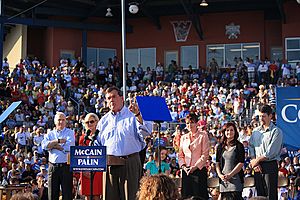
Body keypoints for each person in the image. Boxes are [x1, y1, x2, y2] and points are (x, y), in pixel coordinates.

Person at [95, 86, 152, 200]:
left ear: (121, 98)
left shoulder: (133, 115)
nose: (111, 100)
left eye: (114, 97)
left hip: (129, 163)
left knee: (131, 196)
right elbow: (98, 143)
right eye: (108, 98)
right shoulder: (103, 121)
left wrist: (138, 116)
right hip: (110, 164)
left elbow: (147, 133)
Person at [249, 104, 283, 200]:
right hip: (257, 167)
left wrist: (256, 160)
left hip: (270, 166)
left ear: (270, 116)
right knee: (260, 195)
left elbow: (271, 152)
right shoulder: (255, 131)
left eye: (263, 116)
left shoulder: (276, 132)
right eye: (259, 116)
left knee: (270, 195)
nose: (261, 119)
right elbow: (251, 147)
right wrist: (254, 162)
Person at [41, 112, 75, 200]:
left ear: (66, 121)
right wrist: (58, 141)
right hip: (53, 167)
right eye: (59, 120)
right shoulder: (50, 134)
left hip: (66, 167)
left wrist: (52, 145)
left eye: (63, 120)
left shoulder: (70, 132)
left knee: (67, 194)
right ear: (55, 121)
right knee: (52, 194)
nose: (61, 122)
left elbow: (69, 147)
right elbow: (44, 146)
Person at [178, 113, 210, 199]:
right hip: (186, 172)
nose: (189, 125)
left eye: (192, 122)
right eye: (188, 123)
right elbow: (180, 155)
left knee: (199, 197)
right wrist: (184, 167)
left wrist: (195, 167)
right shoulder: (183, 137)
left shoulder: (203, 135)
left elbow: (205, 154)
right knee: (186, 196)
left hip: (199, 171)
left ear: (196, 123)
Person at [216, 122, 245, 200]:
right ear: (224, 132)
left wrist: (230, 175)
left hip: (236, 180)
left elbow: (241, 163)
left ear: (235, 132)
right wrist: (220, 175)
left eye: (232, 130)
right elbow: (217, 163)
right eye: (227, 130)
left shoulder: (239, 146)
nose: (229, 132)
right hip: (223, 181)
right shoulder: (220, 147)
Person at [80, 113, 103, 200]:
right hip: (86, 171)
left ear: (97, 122)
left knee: (97, 195)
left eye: (92, 122)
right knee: (88, 196)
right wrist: (84, 170)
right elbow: (80, 156)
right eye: (87, 122)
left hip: (98, 170)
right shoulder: (83, 138)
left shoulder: (101, 137)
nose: (89, 124)